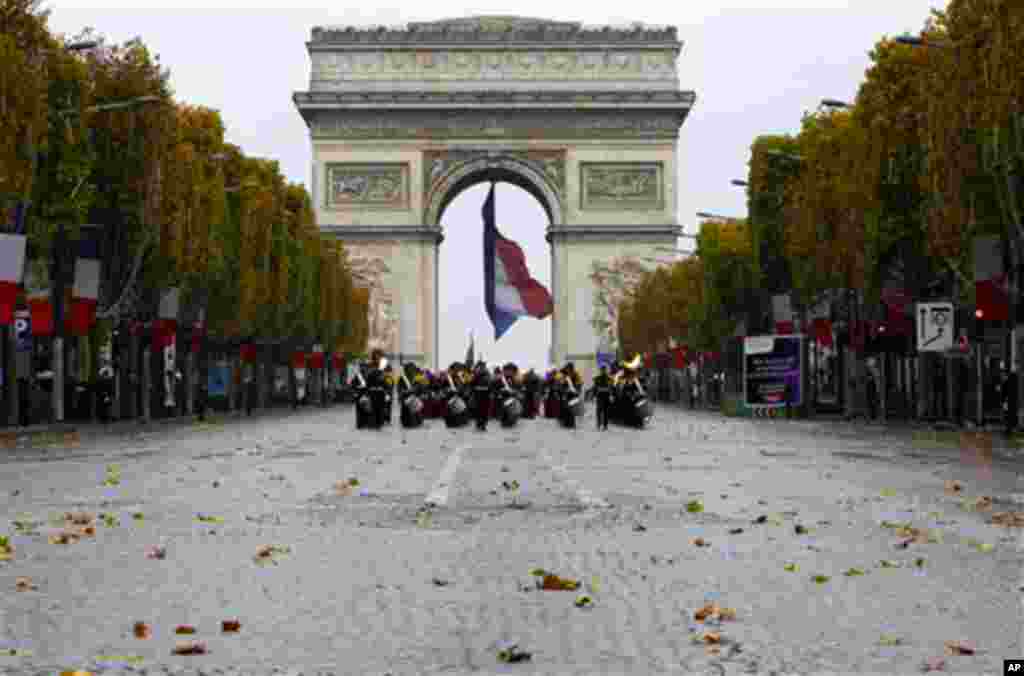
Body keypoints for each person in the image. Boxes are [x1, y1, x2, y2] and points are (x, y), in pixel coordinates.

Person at [471, 361, 492, 431]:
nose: (482, 368)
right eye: (480, 366)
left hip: (486, 395)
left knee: (485, 411)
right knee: (478, 410)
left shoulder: (488, 374)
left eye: (483, 366)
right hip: (478, 395)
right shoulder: (476, 374)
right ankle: (478, 423)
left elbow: (490, 385)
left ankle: (483, 424)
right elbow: (472, 384)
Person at [592, 365, 613, 431]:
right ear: (600, 371)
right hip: (599, 396)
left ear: (605, 370)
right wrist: (594, 396)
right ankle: (599, 424)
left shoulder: (609, 378)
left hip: (606, 396)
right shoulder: (597, 378)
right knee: (599, 411)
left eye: (604, 370)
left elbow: (611, 388)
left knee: (606, 412)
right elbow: (595, 388)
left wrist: (611, 395)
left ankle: (605, 425)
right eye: (602, 370)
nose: (603, 371)